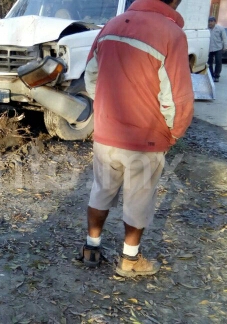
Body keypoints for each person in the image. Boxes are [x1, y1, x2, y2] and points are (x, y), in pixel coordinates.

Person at [79, 0, 194, 277]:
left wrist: (105, 112)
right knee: (138, 200)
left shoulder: (111, 25)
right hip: (146, 138)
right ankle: (130, 261)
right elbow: (177, 96)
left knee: (101, 189)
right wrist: (174, 132)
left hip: (106, 133)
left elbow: (91, 75)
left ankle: (90, 249)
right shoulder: (171, 33)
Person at [208, 16, 227, 82]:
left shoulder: (220, 28)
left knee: (218, 62)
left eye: (211, 21)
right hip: (209, 48)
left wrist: (225, 47)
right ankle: (211, 75)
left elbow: (224, 38)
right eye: (209, 21)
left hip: (218, 48)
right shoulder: (206, 29)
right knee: (209, 63)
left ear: (215, 22)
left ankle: (217, 75)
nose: (210, 23)